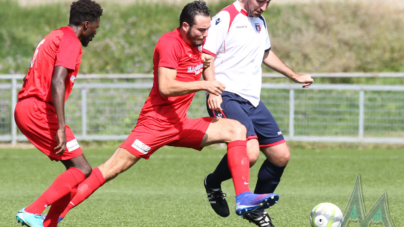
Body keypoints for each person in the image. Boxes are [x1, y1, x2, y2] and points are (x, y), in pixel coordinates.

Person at [48, 1, 278, 224]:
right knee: (110, 169)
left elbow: (206, 60)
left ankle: (243, 197)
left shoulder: (198, 43)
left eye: (207, 30)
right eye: (201, 30)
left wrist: (213, 88)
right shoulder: (169, 43)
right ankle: (53, 217)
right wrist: (205, 86)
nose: (206, 35)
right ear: (185, 26)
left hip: (181, 124)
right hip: (154, 125)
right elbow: (166, 87)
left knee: (236, 129)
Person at [201, 0, 314, 226]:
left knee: (281, 156)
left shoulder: (259, 20)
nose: (263, 6)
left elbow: (266, 54)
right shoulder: (225, 18)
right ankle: (213, 183)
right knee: (250, 153)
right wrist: (212, 89)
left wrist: (294, 75)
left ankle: (255, 208)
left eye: (268, 2)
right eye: (261, 1)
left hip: (252, 100)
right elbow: (207, 56)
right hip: (226, 95)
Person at [14, 1, 102, 227]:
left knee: (75, 171)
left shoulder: (55, 35)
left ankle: (48, 224)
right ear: (85, 24)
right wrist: (61, 128)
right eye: (94, 28)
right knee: (83, 168)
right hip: (38, 110)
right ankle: (33, 211)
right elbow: (57, 80)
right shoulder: (71, 41)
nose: (94, 33)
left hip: (28, 106)